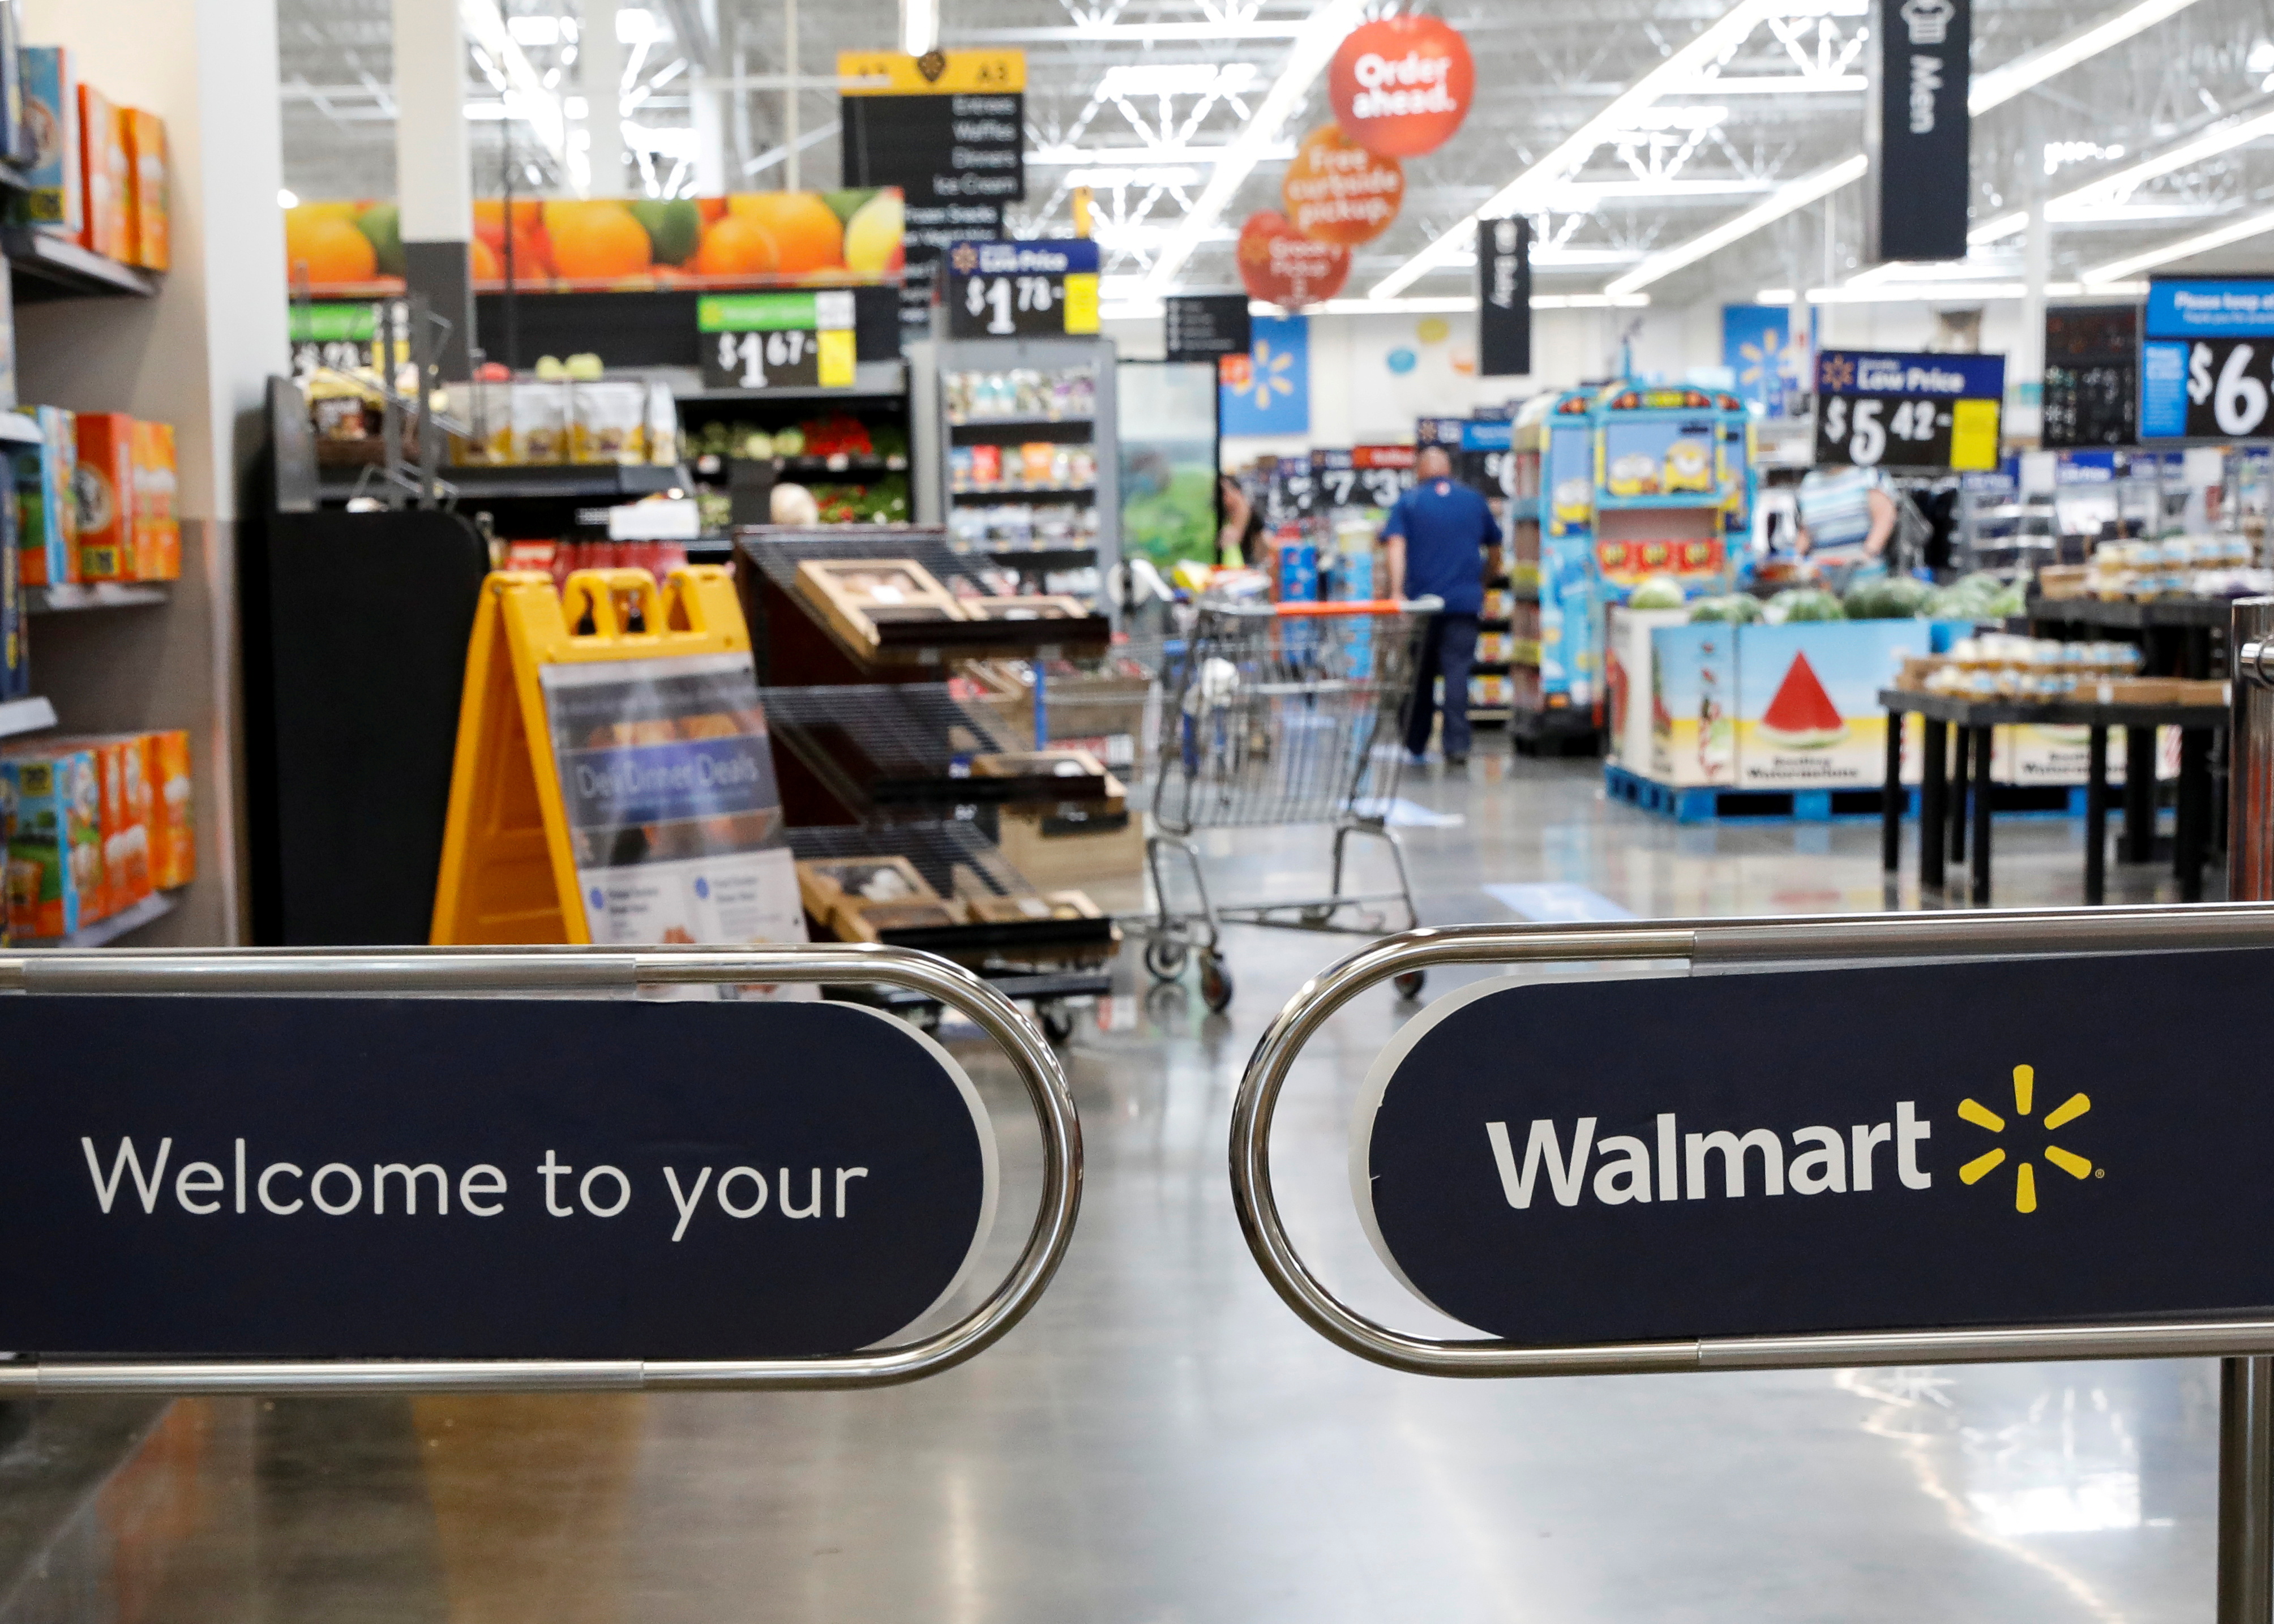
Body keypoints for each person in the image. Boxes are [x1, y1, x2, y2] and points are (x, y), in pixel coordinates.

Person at [1382, 446, 1501, 766]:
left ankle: (1416, 742)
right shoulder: (1474, 501)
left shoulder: (1409, 502)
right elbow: (1496, 549)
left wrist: (1396, 591)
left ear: (1420, 470)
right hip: (1464, 604)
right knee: (1457, 674)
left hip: (1422, 607)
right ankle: (1457, 746)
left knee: (1420, 676)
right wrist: (1483, 582)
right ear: (1447, 468)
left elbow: (1396, 547)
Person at [1793, 462, 1896, 578]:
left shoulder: (1868, 473)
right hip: (1822, 574)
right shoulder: (1810, 481)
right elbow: (1806, 530)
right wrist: (1796, 558)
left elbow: (1885, 517)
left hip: (1864, 573)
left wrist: (1867, 554)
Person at [1218, 474, 1266, 567]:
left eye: (1225, 492)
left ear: (1237, 492)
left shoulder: (1249, 512)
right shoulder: (1220, 515)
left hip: (1246, 567)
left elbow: (1263, 543)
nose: (1223, 498)